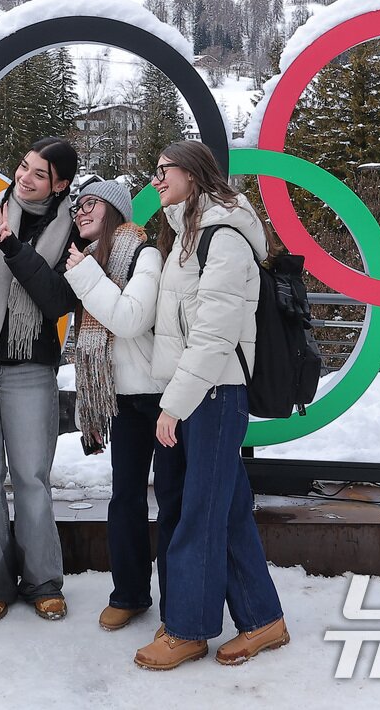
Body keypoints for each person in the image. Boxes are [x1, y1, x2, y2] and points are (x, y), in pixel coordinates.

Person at [133, 140, 290, 671]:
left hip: (215, 395)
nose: (155, 179)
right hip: (197, 391)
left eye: (163, 170)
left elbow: (214, 334)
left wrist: (172, 405)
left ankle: (188, 629)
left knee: (200, 510)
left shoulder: (222, 238)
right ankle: (263, 619)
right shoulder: (187, 233)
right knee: (218, 507)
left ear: (194, 174)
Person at [0, 137, 79, 623]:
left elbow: (56, 300)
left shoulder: (69, 230)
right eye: (24, 167)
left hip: (31, 368)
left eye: (40, 174)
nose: (25, 178)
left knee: (31, 478)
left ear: (60, 184)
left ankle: (44, 581)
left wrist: (11, 247)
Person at [61, 179, 174, 633]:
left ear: (115, 209)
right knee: (124, 497)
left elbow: (130, 320)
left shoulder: (145, 254)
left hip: (164, 397)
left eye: (90, 203)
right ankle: (129, 593)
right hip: (122, 398)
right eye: (77, 206)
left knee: (171, 500)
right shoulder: (91, 260)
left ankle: (179, 599)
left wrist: (85, 277)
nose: (81, 212)